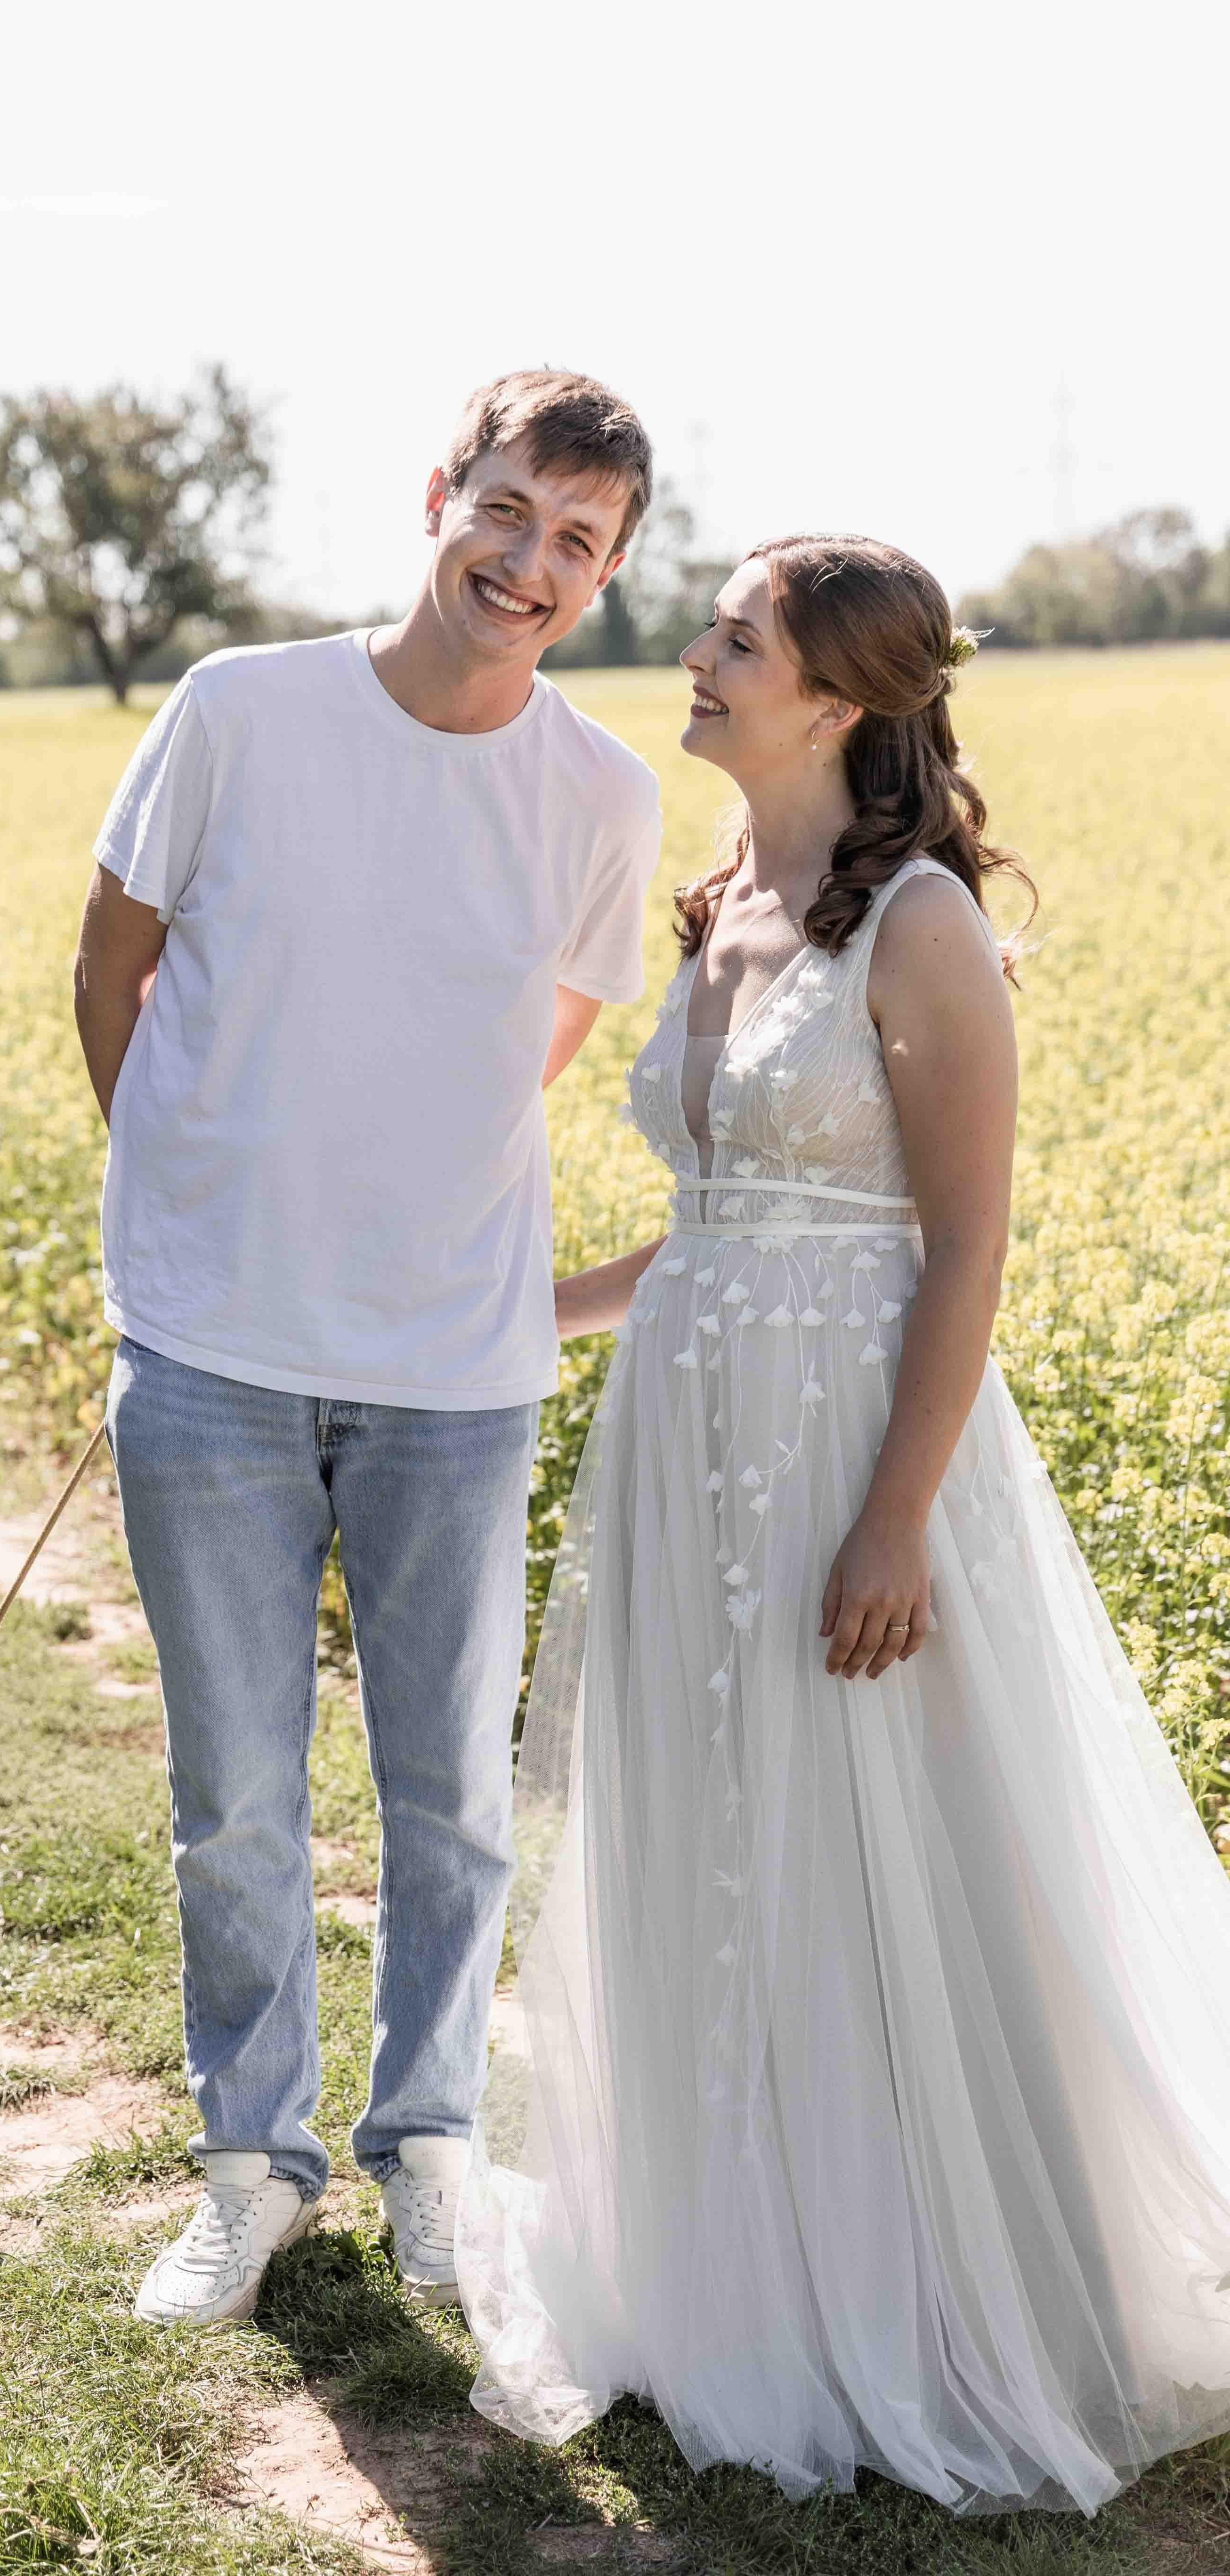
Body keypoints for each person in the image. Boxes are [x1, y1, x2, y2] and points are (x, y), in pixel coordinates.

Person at [457, 535, 1230, 2511]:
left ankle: (932, 2280)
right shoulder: (716, 899)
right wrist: (521, 1315)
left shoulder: (922, 929)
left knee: (883, 1838)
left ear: (837, 696)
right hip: (685, 1437)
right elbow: (722, 1226)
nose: (694, 656)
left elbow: (962, 1242)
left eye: (734, 636)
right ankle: (732, 2260)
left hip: (859, 1454)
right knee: (707, 1823)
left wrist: (892, 1520)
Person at [73, 370, 665, 2326]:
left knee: (451, 1795)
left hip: (454, 1376)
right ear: (444, 493)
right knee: (233, 1790)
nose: (530, 562)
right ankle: (251, 2168)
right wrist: (191, 1207)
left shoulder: (601, 792)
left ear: (603, 576)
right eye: (510, 511)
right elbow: (113, 961)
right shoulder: (240, 709)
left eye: (578, 543)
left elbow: (523, 1062)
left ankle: (429, 2151)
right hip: (212, 1359)